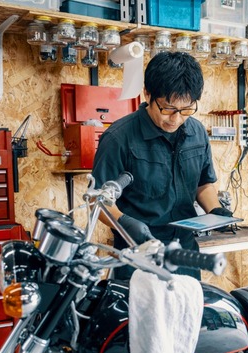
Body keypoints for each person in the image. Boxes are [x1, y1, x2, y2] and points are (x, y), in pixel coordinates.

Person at [92, 51, 231, 280]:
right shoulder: (119, 137)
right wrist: (126, 223)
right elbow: (97, 200)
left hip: (184, 253)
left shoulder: (197, 133)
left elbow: (203, 184)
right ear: (147, 94)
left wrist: (214, 210)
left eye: (185, 110)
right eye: (168, 109)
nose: (175, 119)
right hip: (137, 255)